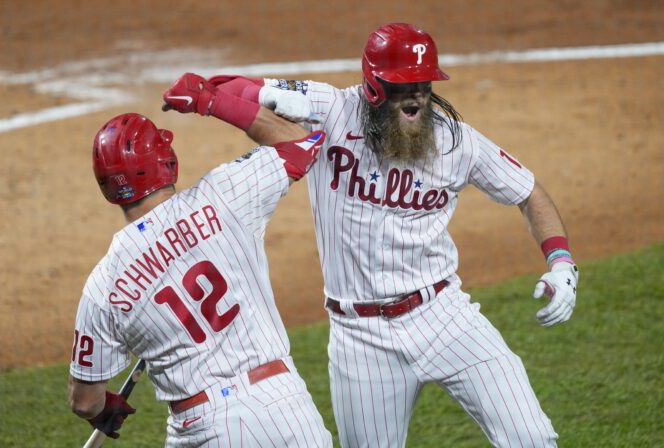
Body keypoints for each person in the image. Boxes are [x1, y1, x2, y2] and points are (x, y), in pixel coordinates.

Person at [161, 22, 579, 447]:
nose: (417, 93)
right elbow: (246, 88)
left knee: (533, 437)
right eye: (403, 84)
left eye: (423, 82)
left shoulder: (456, 142)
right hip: (360, 339)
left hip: (445, 315)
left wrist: (561, 262)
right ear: (374, 85)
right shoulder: (333, 108)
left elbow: (528, 192)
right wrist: (209, 97)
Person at [67, 103, 334, 447]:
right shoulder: (224, 194)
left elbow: (84, 399)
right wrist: (218, 101)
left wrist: (103, 410)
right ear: (166, 160)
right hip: (286, 406)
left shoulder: (102, 287)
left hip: (204, 426)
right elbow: (302, 140)